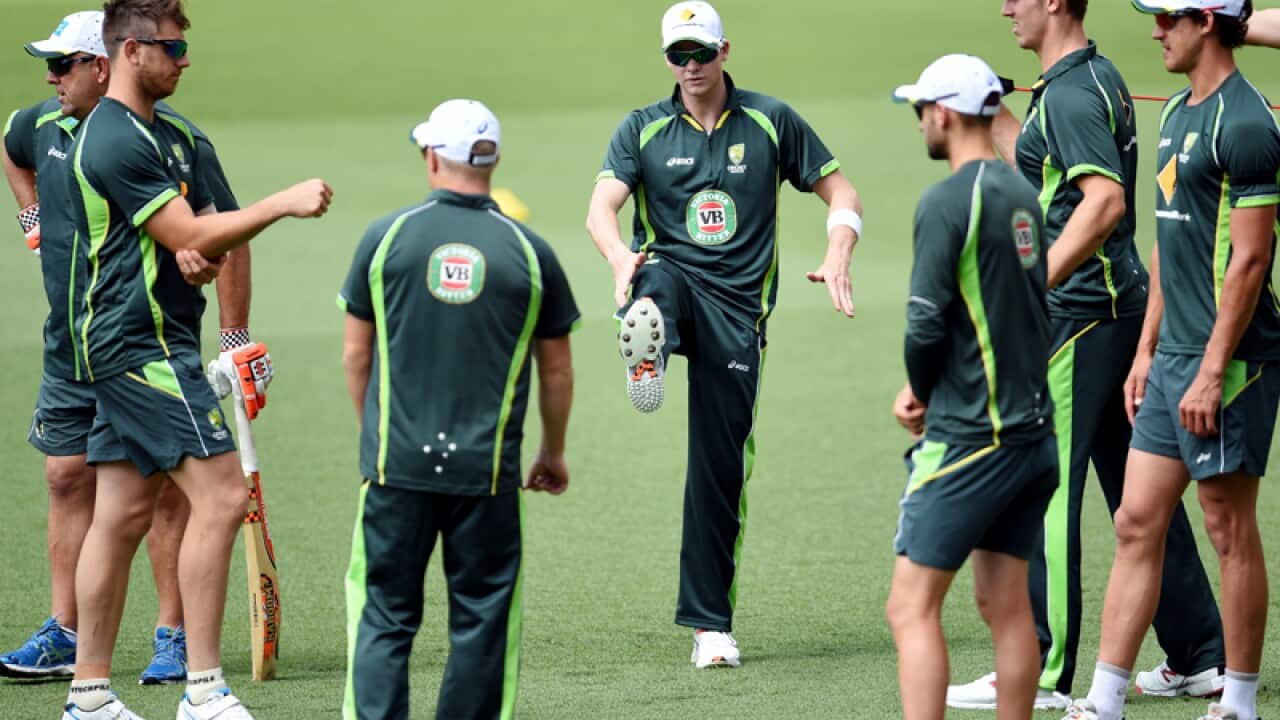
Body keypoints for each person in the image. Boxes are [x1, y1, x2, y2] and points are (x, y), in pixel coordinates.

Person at [948, 0, 1226, 708]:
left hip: (1079, 319)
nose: (1005, 7)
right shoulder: (1085, 79)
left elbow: (1102, 203)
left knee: (1044, 489)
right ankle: (1200, 653)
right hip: (1116, 312)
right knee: (1142, 494)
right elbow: (1049, 175)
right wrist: (989, 112)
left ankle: (1039, 669)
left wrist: (1032, 281)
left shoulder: (1070, 95)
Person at [59, 0, 332, 717]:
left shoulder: (173, 136)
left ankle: (88, 697)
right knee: (222, 498)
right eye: (172, 49)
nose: (185, 60)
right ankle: (204, 691)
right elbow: (185, 228)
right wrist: (282, 202)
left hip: (149, 338)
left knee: (121, 513)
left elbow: (199, 235)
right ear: (129, 51)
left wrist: (200, 260)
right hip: (139, 345)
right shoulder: (111, 139)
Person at [584, 0, 863, 668]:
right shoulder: (643, 129)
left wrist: (838, 251)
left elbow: (843, 193)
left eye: (700, 53)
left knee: (718, 470)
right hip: (672, 282)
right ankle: (647, 351)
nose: (690, 66)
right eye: (677, 55)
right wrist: (620, 258)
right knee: (655, 281)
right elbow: (601, 210)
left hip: (738, 314)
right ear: (666, 61)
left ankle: (711, 629)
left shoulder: (771, 120)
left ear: (724, 51)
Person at [1, 8, 256, 686]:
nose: (51, 78)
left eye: (62, 65)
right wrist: (30, 213)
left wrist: (234, 338)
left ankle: (174, 637)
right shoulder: (44, 126)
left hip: (142, 343)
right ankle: (68, 640)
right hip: (71, 345)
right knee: (69, 478)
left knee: (166, 492)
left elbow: (225, 236)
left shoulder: (175, 141)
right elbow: (9, 143)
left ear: (103, 66)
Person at [1062, 2, 1280, 720]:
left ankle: (1237, 702)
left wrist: (1212, 370)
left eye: (1167, 17)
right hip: (1171, 359)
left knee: (1226, 528)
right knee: (1135, 519)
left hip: (1232, 360)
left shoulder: (1245, 124)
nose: (1155, 30)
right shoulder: (1176, 115)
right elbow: (1167, 240)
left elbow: (1250, 260)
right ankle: (1104, 699)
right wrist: (1147, 350)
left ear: (1207, 22)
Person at [339, 99, 579, 720]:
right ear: (492, 162)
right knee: (482, 621)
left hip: (395, 468)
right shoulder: (531, 252)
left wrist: (376, 435)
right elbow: (556, 369)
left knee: (384, 616)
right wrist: (551, 451)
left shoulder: (385, 238)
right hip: (487, 475)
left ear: (431, 157)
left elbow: (356, 354)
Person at [886, 53, 1057, 720]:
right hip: (1032, 437)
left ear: (945, 114)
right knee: (1005, 604)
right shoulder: (1021, 192)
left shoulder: (947, 201)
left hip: (973, 439)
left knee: (910, 606)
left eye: (921, 109)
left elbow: (925, 322)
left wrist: (919, 388)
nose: (919, 122)